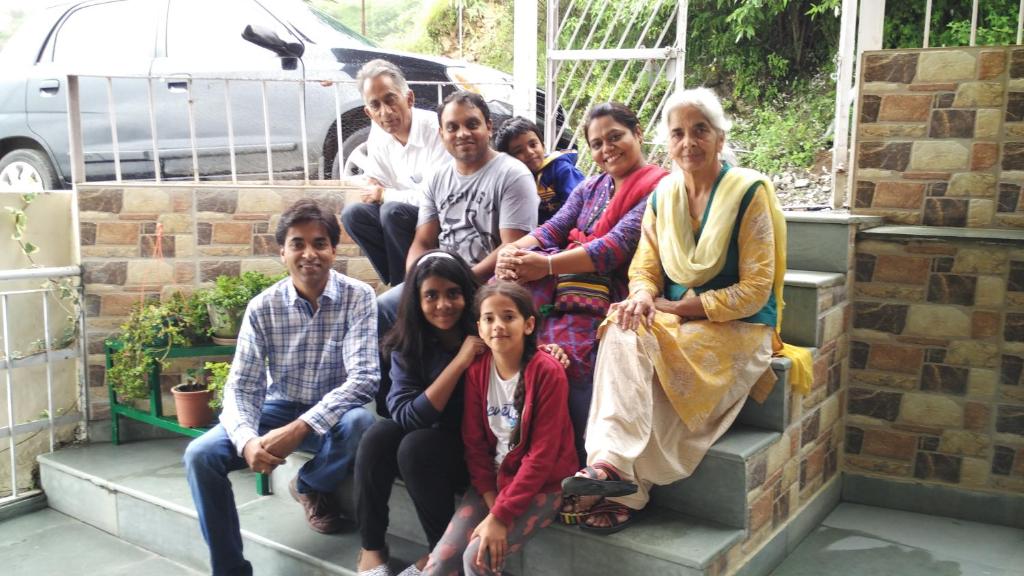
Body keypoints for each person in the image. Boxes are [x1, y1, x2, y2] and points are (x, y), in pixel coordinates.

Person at [559, 88, 812, 534]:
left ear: (719, 137)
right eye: (678, 133)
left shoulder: (748, 192)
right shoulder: (664, 195)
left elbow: (755, 290)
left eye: (700, 130)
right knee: (621, 323)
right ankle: (609, 466)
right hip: (674, 319)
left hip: (738, 326)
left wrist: (678, 305)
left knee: (654, 377)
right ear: (668, 141)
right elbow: (645, 266)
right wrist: (641, 295)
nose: (688, 142)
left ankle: (622, 486)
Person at [184, 199, 379, 575]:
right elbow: (241, 387)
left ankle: (308, 484)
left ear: (333, 250)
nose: (309, 254)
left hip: (334, 415)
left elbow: (364, 379)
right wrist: (247, 441)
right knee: (200, 455)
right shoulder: (263, 307)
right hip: (278, 407)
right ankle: (230, 570)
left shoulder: (358, 297)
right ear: (282, 252)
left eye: (319, 243)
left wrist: (302, 427)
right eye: (297, 244)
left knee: (361, 424)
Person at [354, 251, 570, 576]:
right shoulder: (411, 345)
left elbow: (517, 348)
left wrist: (546, 351)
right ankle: (373, 547)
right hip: (464, 449)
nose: (443, 304)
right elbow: (407, 417)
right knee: (379, 435)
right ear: (417, 300)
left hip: (487, 455)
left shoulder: (490, 328)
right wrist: (460, 361)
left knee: (416, 448)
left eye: (453, 293)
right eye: (431, 295)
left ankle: (438, 552)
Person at [495, 102, 668, 465]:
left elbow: (614, 248)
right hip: (567, 281)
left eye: (615, 137)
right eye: (597, 143)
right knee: (503, 311)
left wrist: (546, 265)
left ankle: (579, 458)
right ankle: (518, 449)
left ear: (638, 133)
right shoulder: (591, 187)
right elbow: (553, 229)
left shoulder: (659, 188)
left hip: (617, 289)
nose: (607, 149)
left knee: (569, 356)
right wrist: (512, 252)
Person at [374, 91, 539, 396]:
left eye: (472, 124)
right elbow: (423, 240)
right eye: (452, 127)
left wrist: (463, 280)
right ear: (441, 134)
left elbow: (513, 246)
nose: (462, 133)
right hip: (440, 279)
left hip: (488, 283)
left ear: (488, 126)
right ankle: (394, 401)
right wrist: (416, 282)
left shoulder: (512, 175)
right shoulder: (437, 177)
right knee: (383, 309)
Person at [418, 282, 577, 576]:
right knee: (439, 562)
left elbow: (541, 457)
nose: (498, 325)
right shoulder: (478, 370)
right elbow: (474, 445)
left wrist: (501, 516)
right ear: (479, 328)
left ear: (528, 324)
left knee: (477, 558)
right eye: (489, 318)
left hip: (543, 486)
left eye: (508, 317)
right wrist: (493, 504)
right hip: (492, 484)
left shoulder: (547, 372)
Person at [341, 59, 451, 287]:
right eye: (376, 105)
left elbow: (435, 199)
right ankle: (398, 282)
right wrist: (377, 190)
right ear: (369, 112)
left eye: (390, 99)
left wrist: (384, 194)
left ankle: (405, 288)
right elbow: (375, 182)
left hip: (441, 218)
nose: (386, 112)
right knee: (354, 215)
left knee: (392, 211)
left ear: (409, 98)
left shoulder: (436, 130)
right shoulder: (379, 133)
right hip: (403, 217)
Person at [493, 116, 585, 224]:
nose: (529, 152)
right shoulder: (512, 182)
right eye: (518, 151)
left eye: (533, 145)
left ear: (543, 145)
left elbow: (578, 204)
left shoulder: (562, 170)